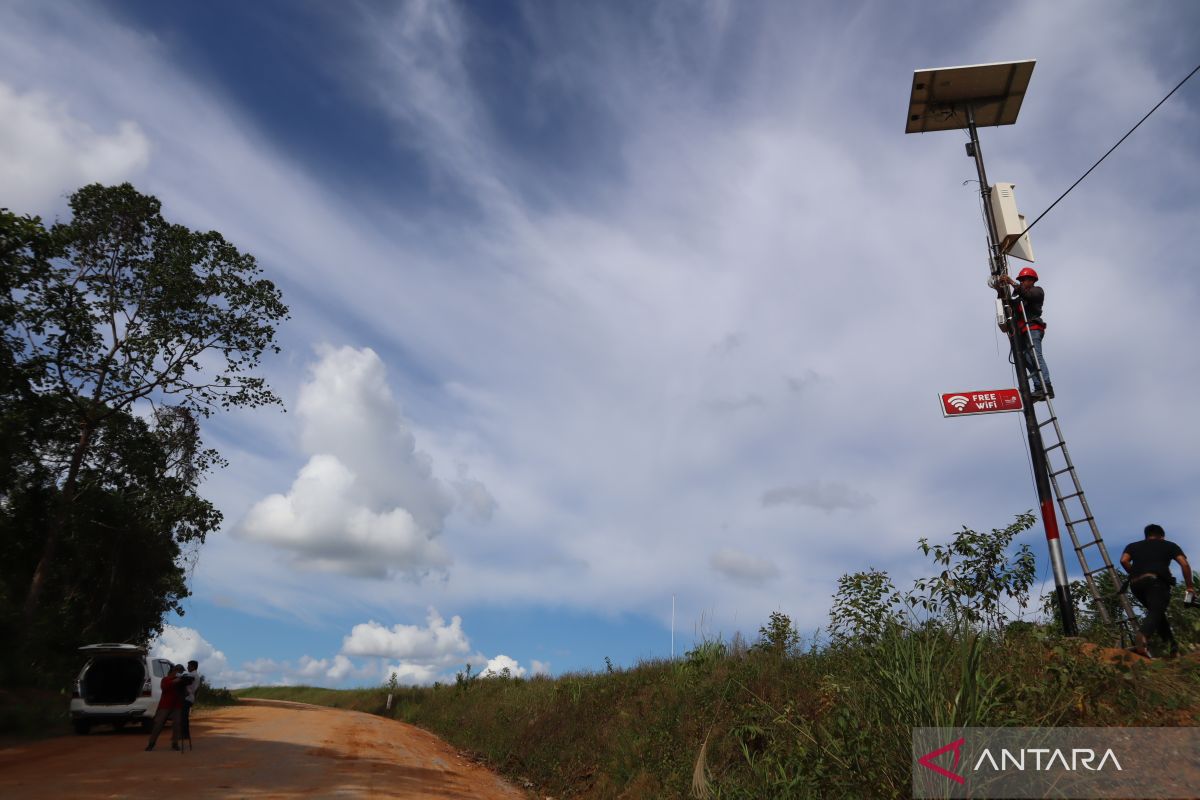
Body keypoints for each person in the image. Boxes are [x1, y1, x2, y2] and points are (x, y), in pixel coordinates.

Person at [1120, 524, 1193, 657]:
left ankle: (1173, 648)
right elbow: (1184, 564)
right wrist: (1189, 587)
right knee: (1156, 611)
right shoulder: (1169, 545)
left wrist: (1136, 573)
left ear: (1146, 535)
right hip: (1156, 583)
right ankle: (1143, 636)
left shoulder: (1133, 546)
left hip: (1136, 585)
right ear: (1162, 536)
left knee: (1157, 613)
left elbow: (1124, 560)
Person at [1002, 266, 1053, 401]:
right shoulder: (1020, 297)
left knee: (1035, 356)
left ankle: (1046, 386)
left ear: (1032, 280)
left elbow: (1028, 295)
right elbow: (1009, 303)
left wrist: (1012, 282)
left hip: (1033, 328)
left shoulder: (1037, 291)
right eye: (1022, 280)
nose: (1023, 282)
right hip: (1022, 332)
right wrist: (1000, 290)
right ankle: (1038, 387)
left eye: (1025, 280)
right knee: (1026, 359)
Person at [145, 664, 188, 751]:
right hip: (165, 705)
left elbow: (186, 693)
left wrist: (184, 684)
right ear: (175, 671)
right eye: (179, 671)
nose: (180, 673)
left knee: (177, 724)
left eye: (181, 672)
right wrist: (175, 681)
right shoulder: (166, 679)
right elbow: (164, 687)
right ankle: (151, 743)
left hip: (177, 705)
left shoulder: (181, 681)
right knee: (158, 724)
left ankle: (175, 743)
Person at [180, 660, 201, 744]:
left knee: (184, 717)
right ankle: (185, 734)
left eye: (189, 666)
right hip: (191, 697)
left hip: (187, 697)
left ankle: (185, 734)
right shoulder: (196, 675)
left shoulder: (192, 675)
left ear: (193, 667)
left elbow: (181, 677)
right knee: (184, 717)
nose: (187, 667)